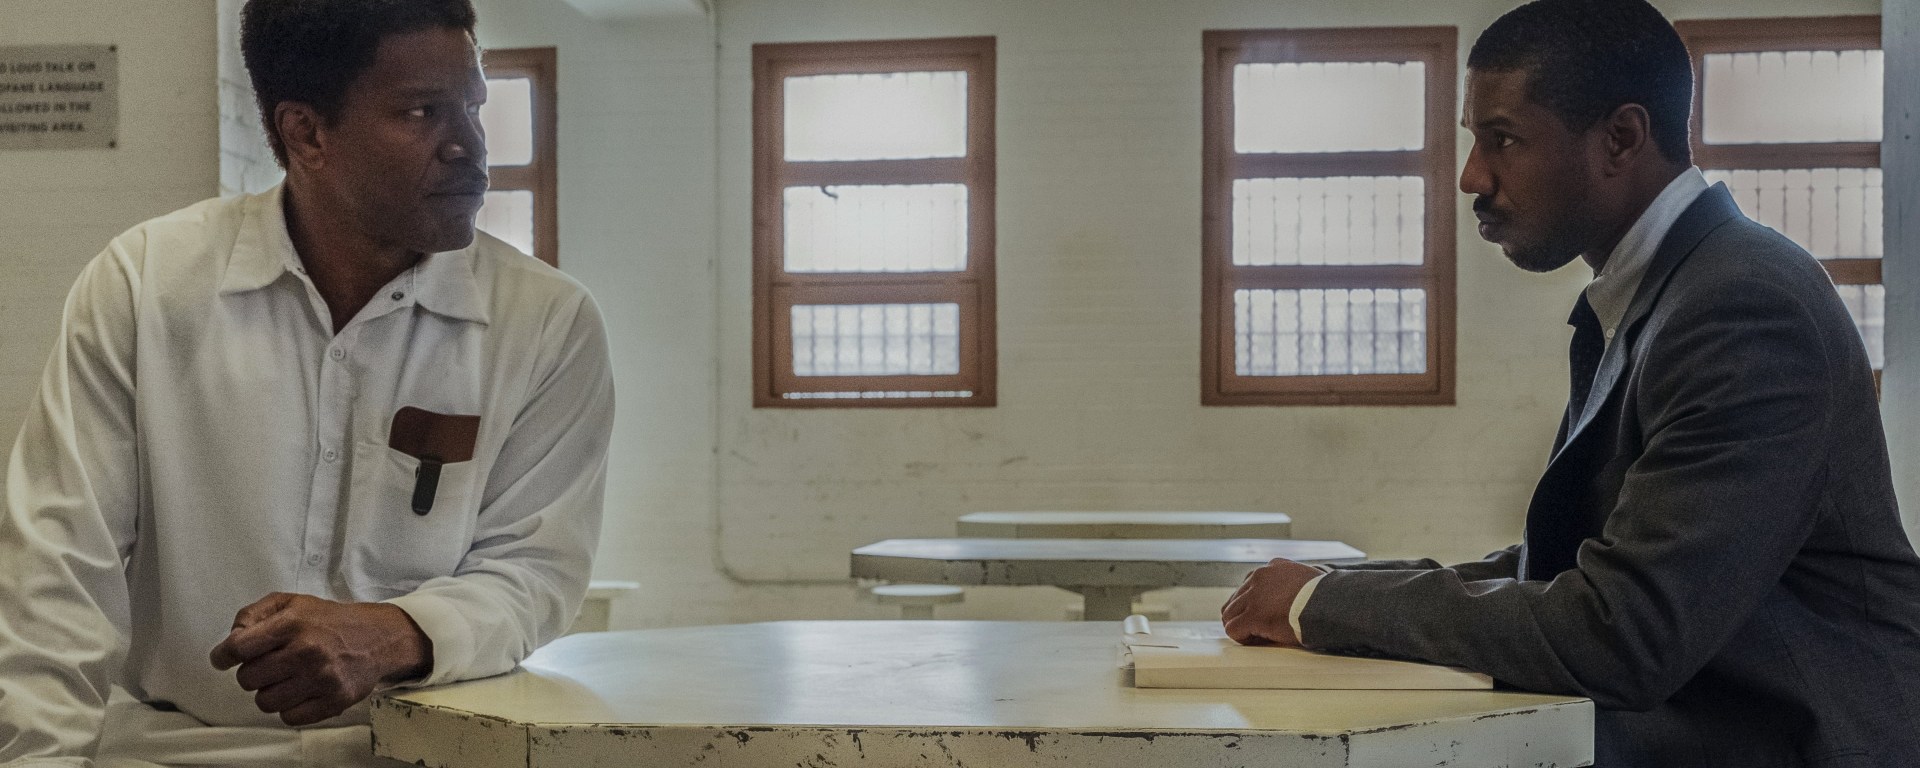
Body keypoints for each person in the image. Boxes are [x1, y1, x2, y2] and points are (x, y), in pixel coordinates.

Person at [1222, 1, 1920, 765]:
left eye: (1504, 139)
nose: (1471, 176)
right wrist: (1329, 589)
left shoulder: (1741, 306)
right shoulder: (1672, 291)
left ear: (1620, 138)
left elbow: (1623, 633)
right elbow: (1562, 570)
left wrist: (1321, 603)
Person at [0, 0, 614, 765]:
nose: (469, 144)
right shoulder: (146, 287)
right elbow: (57, 572)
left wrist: (397, 632)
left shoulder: (546, 323)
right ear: (307, 133)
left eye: (473, 105)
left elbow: (535, 571)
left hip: (417, 752)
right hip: (173, 750)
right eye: (422, 112)